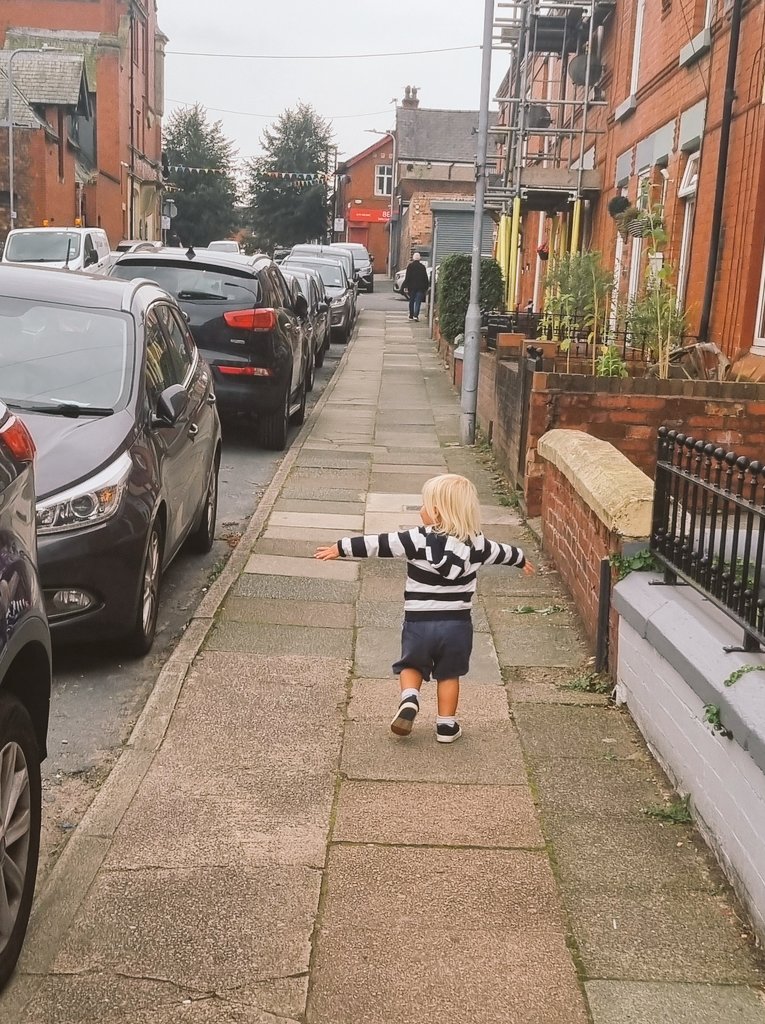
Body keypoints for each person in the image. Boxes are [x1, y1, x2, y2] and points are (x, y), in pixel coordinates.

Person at [315, 473, 535, 743]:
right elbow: (504, 552)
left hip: (419, 623)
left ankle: (410, 698)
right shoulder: (479, 544)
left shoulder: (416, 540)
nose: (421, 509)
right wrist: (521, 559)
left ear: (438, 513)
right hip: (457, 627)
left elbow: (379, 544)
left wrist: (341, 547)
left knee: (412, 665)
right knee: (449, 675)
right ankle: (446, 726)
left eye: (426, 505)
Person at [401, 252, 430, 322]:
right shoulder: (422, 267)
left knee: (411, 301)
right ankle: (416, 316)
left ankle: (411, 315)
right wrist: (426, 287)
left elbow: (407, 277)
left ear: (413, 258)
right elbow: (425, 278)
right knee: (418, 301)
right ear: (419, 258)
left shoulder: (410, 266)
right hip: (420, 287)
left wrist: (405, 286)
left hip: (412, 287)